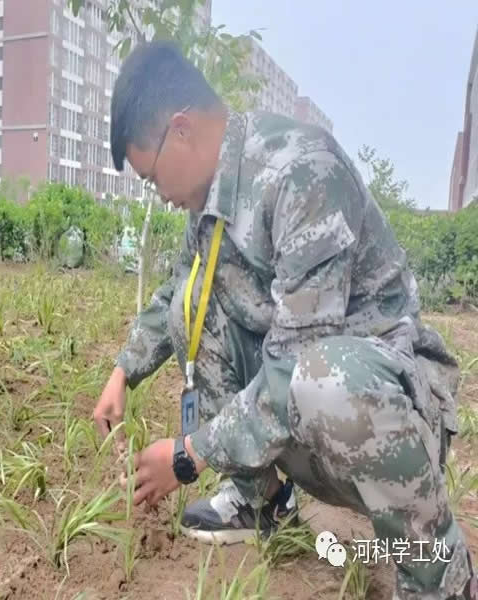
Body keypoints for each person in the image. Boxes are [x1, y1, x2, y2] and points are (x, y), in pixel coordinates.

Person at [93, 40, 476, 600]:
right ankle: (261, 503)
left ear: (180, 130)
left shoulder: (300, 171)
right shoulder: (210, 201)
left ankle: (437, 571)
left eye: (150, 178)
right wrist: (124, 371)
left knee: (323, 374)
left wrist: (188, 454)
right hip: (303, 406)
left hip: (381, 411)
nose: (159, 194)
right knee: (190, 307)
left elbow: (299, 360)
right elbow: (181, 287)